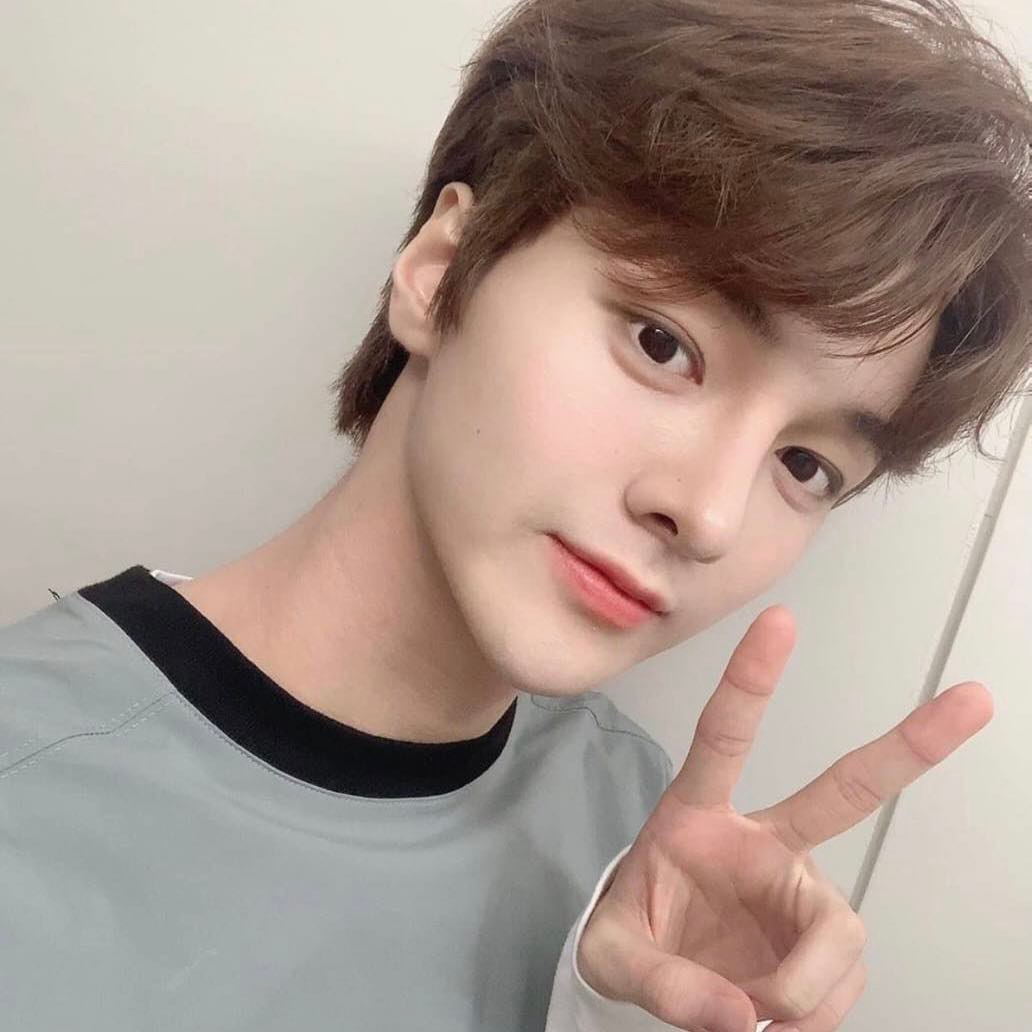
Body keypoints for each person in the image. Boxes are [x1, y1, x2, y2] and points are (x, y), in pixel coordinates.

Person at [2, 1, 1029, 1030]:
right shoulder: (36, 775)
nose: (709, 515)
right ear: (441, 269)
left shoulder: (645, 833)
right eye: (663, 345)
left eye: (805, 465)